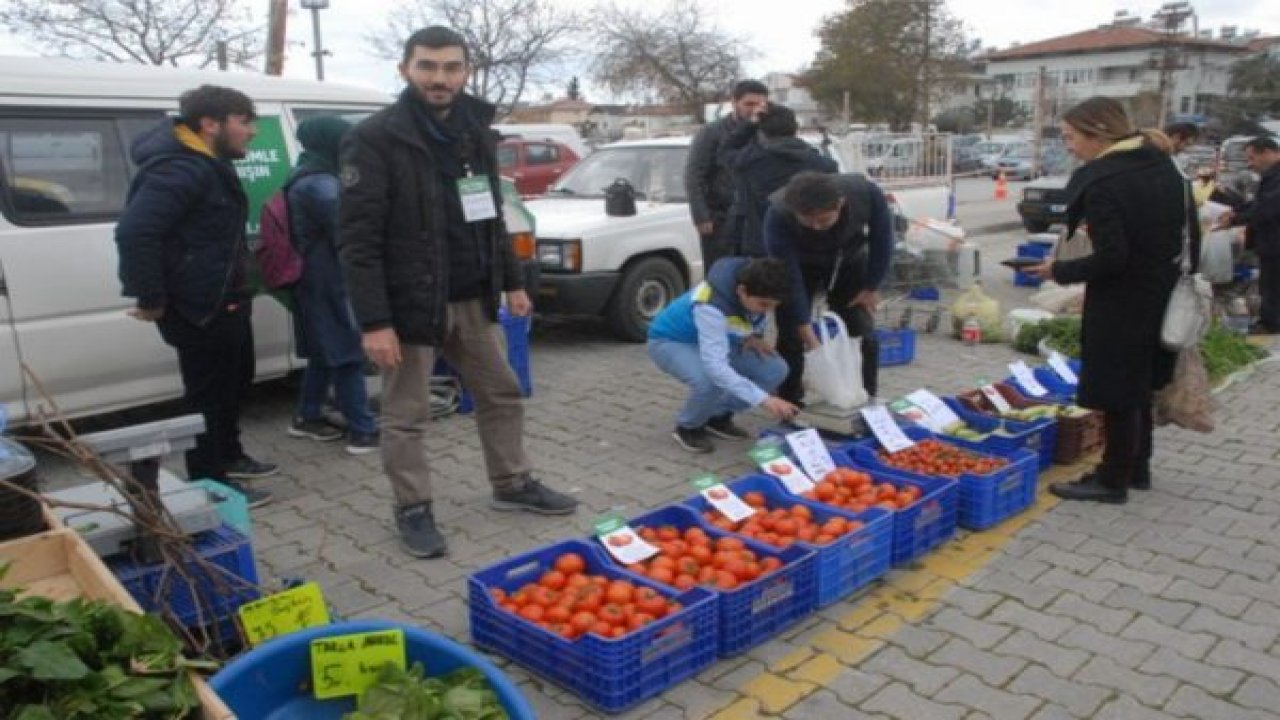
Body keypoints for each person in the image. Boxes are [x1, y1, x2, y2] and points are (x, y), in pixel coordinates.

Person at [337, 26, 577, 559]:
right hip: (408, 305)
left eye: (450, 67)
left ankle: (512, 484)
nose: (439, 78)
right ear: (406, 70)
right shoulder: (375, 137)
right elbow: (357, 240)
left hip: (471, 296)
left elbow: (491, 212)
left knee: (502, 391)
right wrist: (375, 321)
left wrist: (513, 281)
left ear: (465, 72)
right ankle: (413, 508)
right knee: (406, 415)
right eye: (428, 66)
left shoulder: (475, 133)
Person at [116, 85, 276, 507]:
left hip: (228, 299)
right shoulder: (179, 170)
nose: (252, 132)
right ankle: (210, 482)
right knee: (207, 395)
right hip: (199, 306)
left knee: (235, 383)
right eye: (244, 122)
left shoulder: (206, 163)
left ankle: (230, 454)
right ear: (210, 125)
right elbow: (135, 232)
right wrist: (151, 297)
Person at [1026, 96, 1190, 503]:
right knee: (1139, 385)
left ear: (1096, 134)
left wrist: (1059, 271)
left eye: (1070, 137)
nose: (1068, 145)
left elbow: (1113, 258)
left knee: (1116, 390)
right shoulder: (1161, 163)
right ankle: (1138, 468)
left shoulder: (1105, 182)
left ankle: (1112, 479)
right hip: (1159, 289)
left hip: (1121, 300)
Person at [283, 116, 379, 454]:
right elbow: (350, 232)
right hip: (330, 279)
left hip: (316, 277)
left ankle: (307, 416)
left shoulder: (308, 174)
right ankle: (362, 430)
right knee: (346, 351)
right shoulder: (321, 184)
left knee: (325, 353)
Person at [764, 171, 895, 406]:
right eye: (807, 221)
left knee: (860, 329)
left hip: (848, 260)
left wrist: (871, 285)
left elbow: (883, 239)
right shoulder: (778, 214)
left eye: (823, 220)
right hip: (800, 266)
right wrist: (803, 325)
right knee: (791, 332)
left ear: (841, 204)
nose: (816, 227)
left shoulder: (865, 194)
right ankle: (789, 400)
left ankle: (866, 395)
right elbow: (788, 274)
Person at [648, 257, 798, 453]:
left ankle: (716, 416)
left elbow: (752, 316)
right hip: (672, 341)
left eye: (773, 306)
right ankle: (688, 426)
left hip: (719, 337)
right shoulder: (710, 306)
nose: (768, 311)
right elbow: (716, 368)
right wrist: (764, 399)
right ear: (741, 291)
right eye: (764, 305)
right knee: (710, 381)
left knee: (775, 369)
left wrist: (754, 335)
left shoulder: (753, 283)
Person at [722, 104, 839, 257]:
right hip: (810, 246)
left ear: (762, 131)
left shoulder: (749, 161)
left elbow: (725, 150)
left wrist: (750, 124)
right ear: (795, 129)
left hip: (762, 247)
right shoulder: (823, 164)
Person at [684, 80, 768, 269]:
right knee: (721, 274)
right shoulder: (711, 132)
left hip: (755, 217)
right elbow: (694, 174)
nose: (754, 110)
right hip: (721, 218)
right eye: (749, 104)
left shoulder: (765, 132)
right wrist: (701, 215)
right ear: (734, 103)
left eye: (760, 105)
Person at [1221, 136, 1280, 334]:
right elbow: (1259, 203)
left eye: (1253, 158)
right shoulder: (1272, 176)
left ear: (1267, 152)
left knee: (1273, 286)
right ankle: (1269, 321)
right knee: (1269, 285)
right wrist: (1236, 212)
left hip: (1275, 242)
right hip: (1270, 242)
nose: (1250, 164)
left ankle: (1271, 326)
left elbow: (1267, 208)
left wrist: (1236, 218)